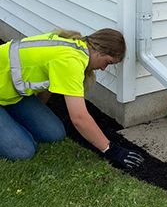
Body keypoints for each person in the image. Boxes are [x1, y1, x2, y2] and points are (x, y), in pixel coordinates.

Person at [0, 29, 144, 169]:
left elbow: (46, 81)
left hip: (11, 92)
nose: (103, 68)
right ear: (100, 51)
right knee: (23, 151)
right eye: (108, 62)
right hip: (7, 90)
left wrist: (33, 115)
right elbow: (79, 118)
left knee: (54, 133)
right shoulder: (70, 61)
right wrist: (110, 149)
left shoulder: (73, 45)